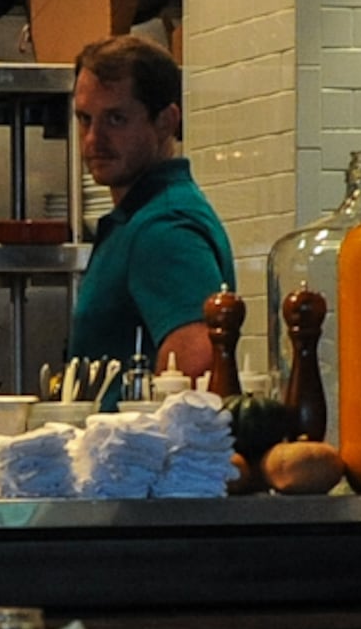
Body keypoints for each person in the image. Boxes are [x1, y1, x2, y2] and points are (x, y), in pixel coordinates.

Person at [65, 33, 235, 382]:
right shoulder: (142, 218)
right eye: (85, 119)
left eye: (116, 119)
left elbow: (195, 370)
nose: (93, 139)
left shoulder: (163, 228)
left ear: (166, 122)